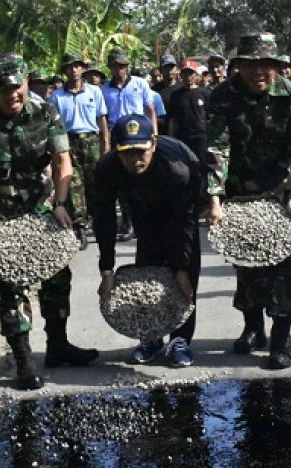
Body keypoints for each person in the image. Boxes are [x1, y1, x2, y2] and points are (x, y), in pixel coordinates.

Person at [0, 53, 99, 391]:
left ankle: (58, 346)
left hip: (43, 207)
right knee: (11, 286)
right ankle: (23, 359)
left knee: (57, 277)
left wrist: (61, 202)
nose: (13, 95)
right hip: (3, 214)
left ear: (26, 81)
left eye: (18, 86)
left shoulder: (45, 111)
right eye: (4, 89)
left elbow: (62, 161)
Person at [206, 32, 291, 369]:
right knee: (246, 267)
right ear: (239, 67)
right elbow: (216, 147)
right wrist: (215, 195)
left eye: (266, 64)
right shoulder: (223, 96)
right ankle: (253, 328)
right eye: (251, 64)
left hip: (281, 192)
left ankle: (280, 342)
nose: (259, 72)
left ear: (276, 66)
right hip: (240, 193)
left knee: (284, 270)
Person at [91, 114, 202, 367]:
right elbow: (104, 220)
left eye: (141, 151)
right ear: (115, 149)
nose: (135, 159)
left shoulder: (177, 167)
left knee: (183, 279)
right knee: (147, 267)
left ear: (153, 143)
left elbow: (184, 221)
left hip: (180, 207)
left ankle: (180, 339)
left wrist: (182, 268)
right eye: (127, 153)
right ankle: (151, 336)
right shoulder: (107, 169)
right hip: (142, 208)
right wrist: (106, 269)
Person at [49, 53, 110, 251]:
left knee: (95, 184)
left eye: (77, 66)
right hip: (68, 142)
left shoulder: (94, 91)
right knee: (74, 184)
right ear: (64, 71)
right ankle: (80, 226)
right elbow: (52, 125)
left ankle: (98, 222)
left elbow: (102, 119)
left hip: (91, 140)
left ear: (83, 69)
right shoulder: (57, 96)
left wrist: (105, 144)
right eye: (69, 67)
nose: (73, 70)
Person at [101, 48, 157, 242]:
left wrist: (154, 134)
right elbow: (104, 118)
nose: (121, 69)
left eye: (124, 66)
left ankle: (148, 219)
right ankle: (127, 221)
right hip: (120, 138)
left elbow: (150, 109)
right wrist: (106, 143)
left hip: (140, 137)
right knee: (122, 181)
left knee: (146, 178)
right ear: (110, 67)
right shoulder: (104, 90)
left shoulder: (140, 84)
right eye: (117, 66)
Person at [168, 59, 212, 175]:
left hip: (201, 138)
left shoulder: (205, 93)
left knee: (202, 168)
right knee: (185, 169)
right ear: (181, 75)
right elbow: (173, 120)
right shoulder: (176, 95)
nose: (188, 76)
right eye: (185, 73)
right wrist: (172, 140)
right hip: (184, 138)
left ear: (196, 75)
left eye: (191, 73)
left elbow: (210, 116)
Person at [153, 53, 183, 135]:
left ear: (176, 69)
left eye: (172, 67)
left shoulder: (183, 88)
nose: (169, 70)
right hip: (161, 134)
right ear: (160, 70)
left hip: (181, 134)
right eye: (166, 67)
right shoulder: (154, 91)